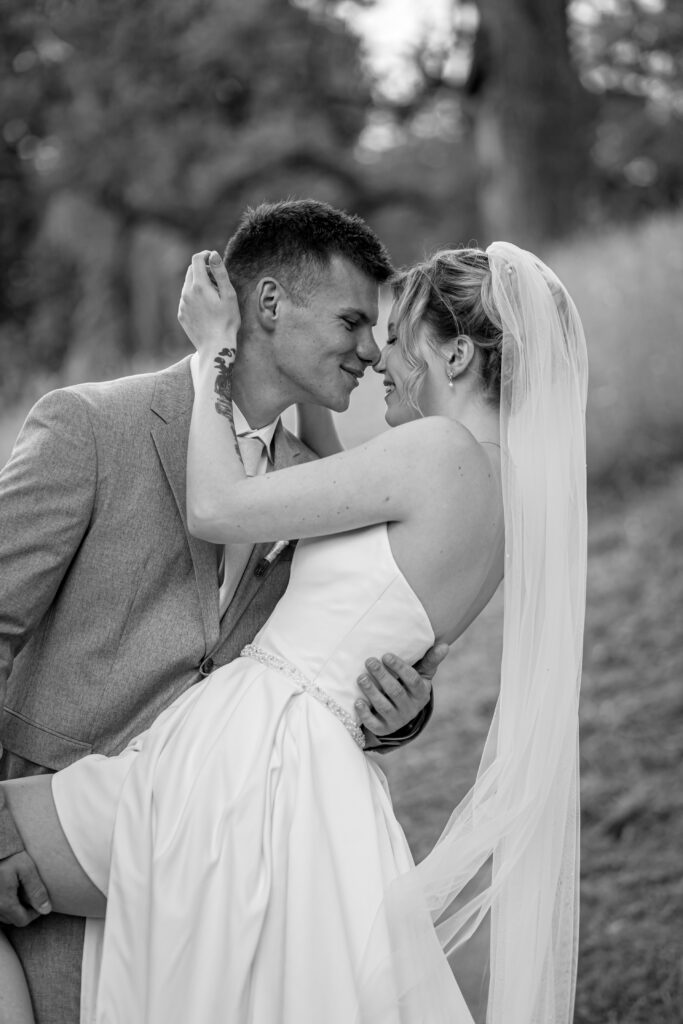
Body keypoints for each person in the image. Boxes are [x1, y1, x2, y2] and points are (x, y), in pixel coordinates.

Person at [0, 238, 588, 1023]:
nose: (378, 357)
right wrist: (403, 705)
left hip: (241, 768)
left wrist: (214, 347)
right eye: (358, 325)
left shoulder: (435, 451)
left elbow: (218, 507)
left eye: (395, 333)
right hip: (308, 779)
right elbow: (370, 580)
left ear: (452, 357)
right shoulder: (505, 494)